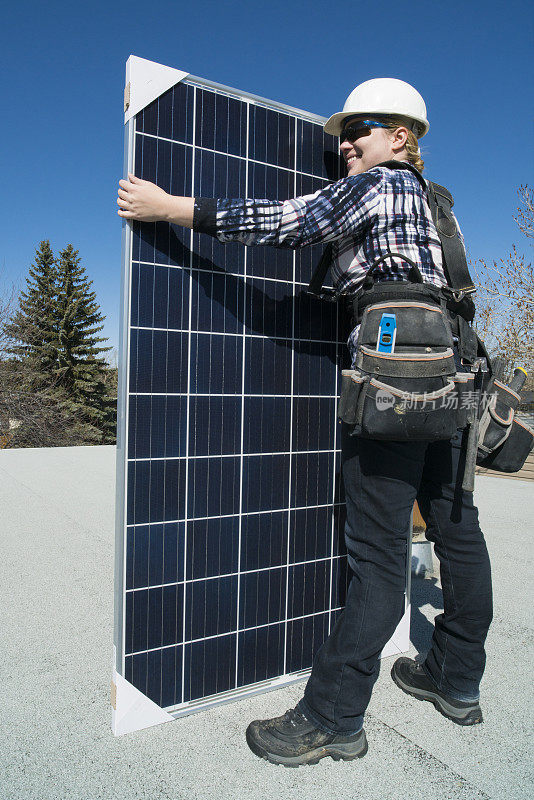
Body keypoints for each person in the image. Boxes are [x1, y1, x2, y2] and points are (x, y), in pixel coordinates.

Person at [117, 77, 493, 768]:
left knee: (379, 557)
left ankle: (331, 717)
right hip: (452, 374)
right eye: (345, 132)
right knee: (456, 529)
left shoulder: (383, 183)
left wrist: (171, 206)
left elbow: (289, 223)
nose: (346, 142)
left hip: (395, 380)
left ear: (402, 137)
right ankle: (456, 677)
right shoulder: (439, 205)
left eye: (364, 128)